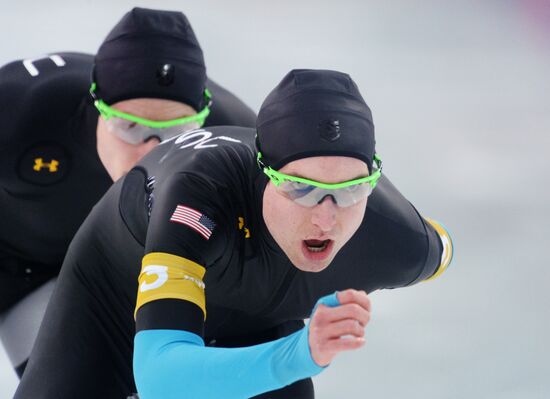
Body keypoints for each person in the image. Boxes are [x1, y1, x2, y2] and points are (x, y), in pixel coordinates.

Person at [15, 69, 453, 399]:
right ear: (263, 176)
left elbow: (442, 246)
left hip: (258, 323)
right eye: (301, 187)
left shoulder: (402, 242)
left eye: (350, 190)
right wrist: (304, 353)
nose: (326, 218)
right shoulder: (199, 196)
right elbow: (161, 377)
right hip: (111, 306)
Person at [0, 7, 256, 378]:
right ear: (95, 105)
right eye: (130, 126)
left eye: (175, 132)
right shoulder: (20, 110)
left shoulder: (238, 141)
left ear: (202, 121)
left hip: (109, 270)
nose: (150, 150)